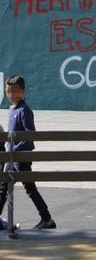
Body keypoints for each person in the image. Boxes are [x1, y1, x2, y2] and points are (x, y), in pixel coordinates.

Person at [0, 74, 56, 230]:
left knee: (28, 189)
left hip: (21, 158)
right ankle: (47, 219)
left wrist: (13, 150)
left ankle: (47, 219)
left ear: (23, 92)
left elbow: (30, 137)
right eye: (8, 91)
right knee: (4, 188)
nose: (11, 94)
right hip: (12, 158)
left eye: (15, 91)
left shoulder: (24, 110)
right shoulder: (12, 109)